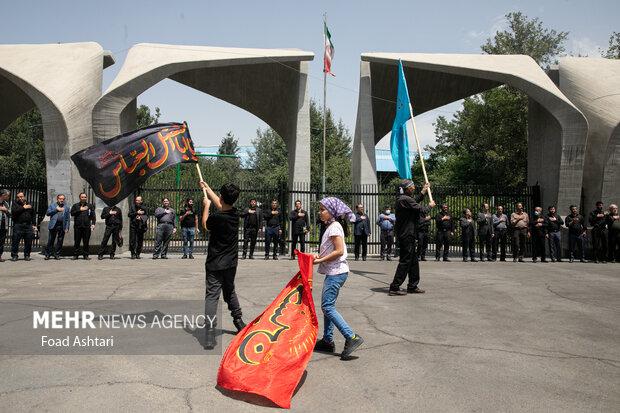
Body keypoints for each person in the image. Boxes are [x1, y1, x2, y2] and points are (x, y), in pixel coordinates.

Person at [312, 197, 364, 360]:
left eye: (322, 210)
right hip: (334, 271)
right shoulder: (331, 226)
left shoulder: (334, 227)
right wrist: (319, 255)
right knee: (328, 306)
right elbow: (330, 249)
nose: (320, 212)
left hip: (337, 272)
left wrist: (319, 260)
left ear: (331, 212)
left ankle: (352, 337)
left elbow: (340, 251)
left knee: (327, 307)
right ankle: (327, 340)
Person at [200, 181, 246, 350]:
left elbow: (204, 225)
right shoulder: (235, 214)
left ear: (221, 197)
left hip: (214, 264)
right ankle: (239, 321)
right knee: (229, 291)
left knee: (212, 297)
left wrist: (206, 206)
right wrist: (207, 188)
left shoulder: (217, 217)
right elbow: (222, 205)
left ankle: (210, 334)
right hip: (231, 263)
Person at [389, 180, 435, 296]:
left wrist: (423, 191)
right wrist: (429, 206)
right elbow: (420, 209)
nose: (414, 188)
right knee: (405, 261)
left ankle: (412, 286)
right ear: (406, 188)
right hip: (406, 234)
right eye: (412, 186)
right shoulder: (404, 199)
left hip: (410, 234)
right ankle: (394, 287)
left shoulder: (405, 199)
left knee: (413, 261)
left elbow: (415, 202)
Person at [10, 191, 37, 261]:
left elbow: (33, 215)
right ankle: (14, 255)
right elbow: (14, 212)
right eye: (18, 197)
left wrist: (34, 224)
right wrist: (23, 208)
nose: (20, 198)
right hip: (18, 225)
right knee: (15, 241)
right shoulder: (15, 204)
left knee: (28, 241)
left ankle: (27, 255)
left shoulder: (29, 204)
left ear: (24, 197)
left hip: (28, 225)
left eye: (21, 196)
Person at [44, 194, 71, 260]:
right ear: (57, 199)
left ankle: (57, 254)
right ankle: (48, 254)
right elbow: (47, 213)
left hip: (62, 225)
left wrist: (67, 227)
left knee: (60, 240)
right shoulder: (52, 205)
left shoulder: (66, 207)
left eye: (63, 199)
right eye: (60, 199)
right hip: (54, 225)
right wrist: (56, 210)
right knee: (51, 240)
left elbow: (68, 218)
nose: (62, 200)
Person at [70, 193, 96, 260]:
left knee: (86, 241)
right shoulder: (75, 205)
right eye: (82, 197)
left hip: (87, 226)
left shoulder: (90, 206)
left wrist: (93, 224)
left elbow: (93, 216)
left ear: (86, 198)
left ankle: (86, 255)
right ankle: (76, 255)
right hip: (78, 226)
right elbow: (72, 213)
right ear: (80, 198)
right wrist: (80, 209)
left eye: (85, 197)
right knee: (77, 241)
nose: (83, 198)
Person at [0, 189, 11, 262]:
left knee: (1, 241)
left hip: (4, 225)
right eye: (8, 195)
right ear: (3, 195)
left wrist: (6, 210)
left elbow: (10, 214)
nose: (9, 197)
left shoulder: (6, 203)